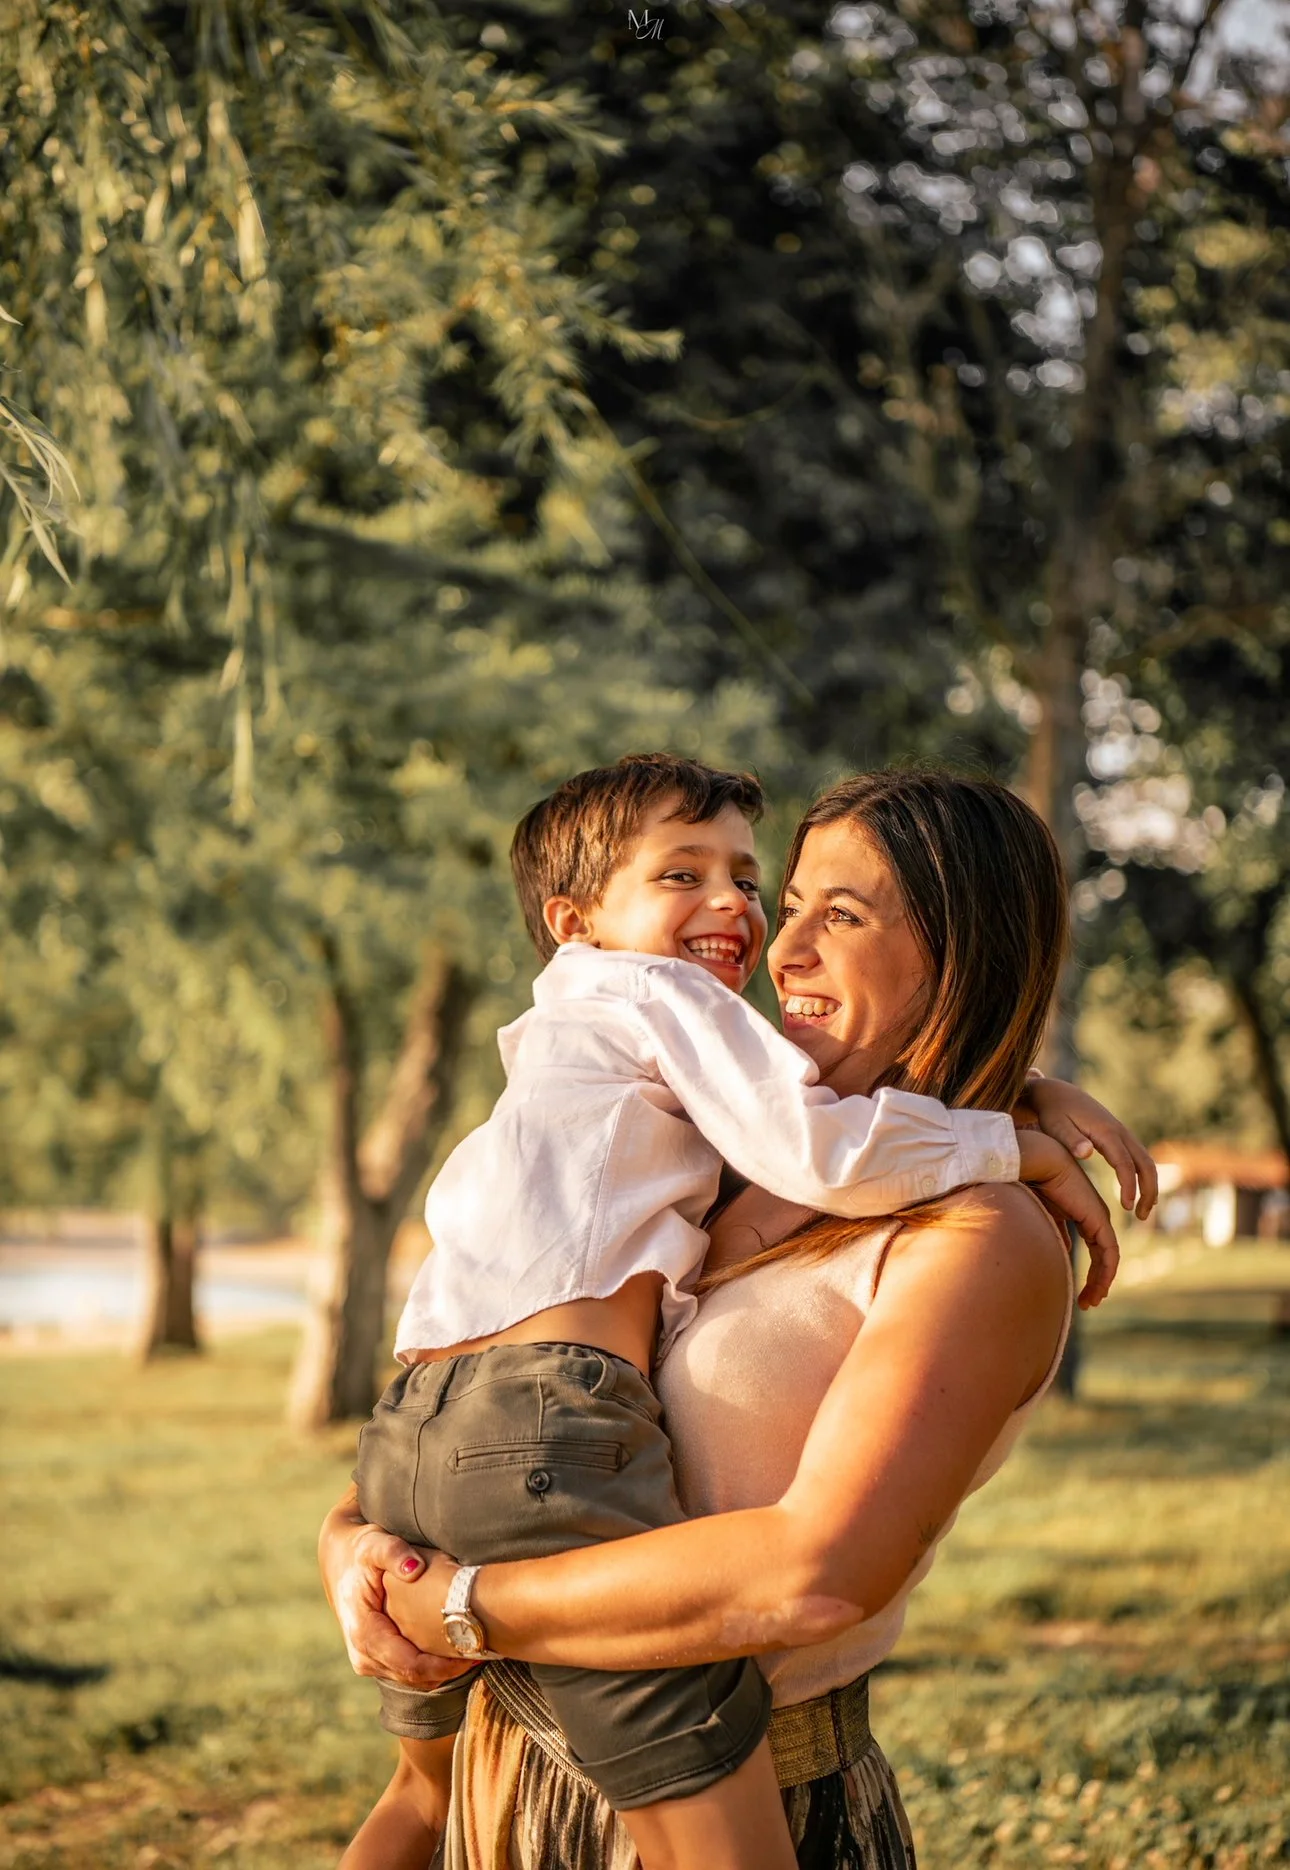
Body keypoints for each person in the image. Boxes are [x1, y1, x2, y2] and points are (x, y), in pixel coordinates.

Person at [324, 769, 1158, 1868]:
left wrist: (467, 1608)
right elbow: (488, 1410)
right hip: (502, 1777)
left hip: (731, 1789)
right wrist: (355, 1550)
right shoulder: (708, 1157)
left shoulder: (978, 1236)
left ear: (964, 953)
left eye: (841, 915)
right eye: (794, 903)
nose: (782, 947)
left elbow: (816, 1570)